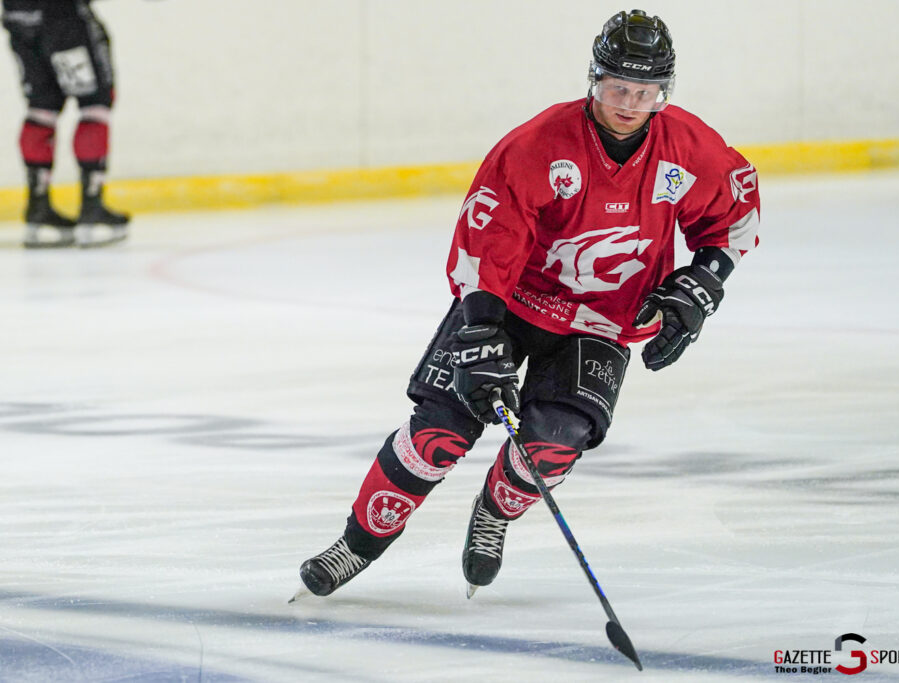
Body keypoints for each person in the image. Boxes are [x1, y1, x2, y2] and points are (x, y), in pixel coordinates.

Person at [297, 9, 760, 598]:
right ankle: (355, 546)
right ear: (595, 80)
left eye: (645, 92)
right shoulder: (539, 145)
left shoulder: (691, 148)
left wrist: (698, 289)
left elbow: (735, 218)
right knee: (438, 435)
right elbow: (489, 238)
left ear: (664, 91)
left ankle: (494, 511)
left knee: (550, 446)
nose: (629, 103)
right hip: (512, 303)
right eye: (617, 87)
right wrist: (481, 325)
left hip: (604, 319)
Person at [0, 0, 129, 248]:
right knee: (94, 101)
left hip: (18, 17)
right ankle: (92, 212)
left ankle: (38, 212)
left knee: (42, 107)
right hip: (63, 16)